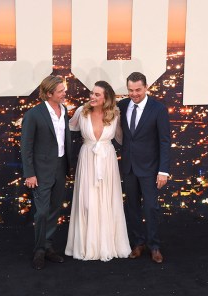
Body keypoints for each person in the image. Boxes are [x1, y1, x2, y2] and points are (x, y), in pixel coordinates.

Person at [65, 81, 131, 261]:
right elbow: (67, 128)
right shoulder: (81, 112)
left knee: (108, 201)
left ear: (106, 98)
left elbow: (122, 138)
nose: (92, 97)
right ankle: (87, 245)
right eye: (92, 93)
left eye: (97, 95)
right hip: (87, 160)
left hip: (107, 162)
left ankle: (109, 245)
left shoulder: (115, 114)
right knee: (87, 201)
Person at [117, 72, 171, 264]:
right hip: (129, 167)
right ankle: (138, 243)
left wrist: (163, 171)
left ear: (146, 87)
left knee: (150, 208)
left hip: (150, 168)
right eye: (130, 90)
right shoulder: (121, 106)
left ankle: (154, 246)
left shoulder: (158, 109)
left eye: (138, 90)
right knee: (132, 207)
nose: (134, 94)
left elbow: (165, 141)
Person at [21, 75, 72, 270]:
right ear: (49, 93)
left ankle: (48, 247)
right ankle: (39, 251)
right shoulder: (34, 114)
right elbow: (26, 147)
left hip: (61, 167)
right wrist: (30, 174)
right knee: (42, 212)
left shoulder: (64, 110)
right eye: (60, 91)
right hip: (41, 171)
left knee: (54, 210)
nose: (64, 93)